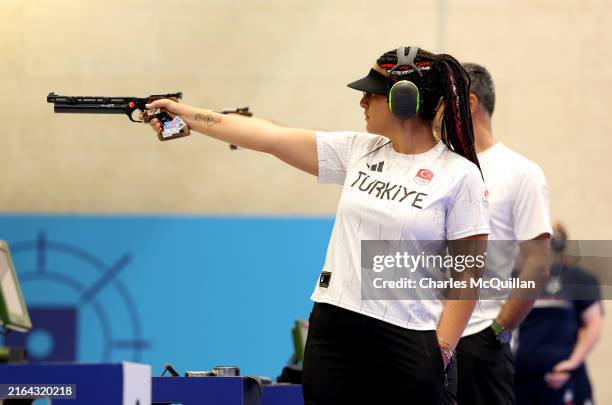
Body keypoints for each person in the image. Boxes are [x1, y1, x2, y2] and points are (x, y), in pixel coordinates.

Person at [144, 46, 490, 405]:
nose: (362, 102)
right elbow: (265, 136)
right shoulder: (360, 150)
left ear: (404, 100)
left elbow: (469, 275)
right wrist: (183, 112)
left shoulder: (459, 176)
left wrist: (444, 348)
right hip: (334, 328)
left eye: (371, 93)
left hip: (408, 336)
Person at [434, 63, 552, 405]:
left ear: (469, 103)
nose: (436, 111)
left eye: (444, 102)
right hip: (428, 335)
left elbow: (537, 266)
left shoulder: (521, 173)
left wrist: (497, 330)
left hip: (479, 340)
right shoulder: (442, 167)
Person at [515, 222, 604, 405]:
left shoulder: (578, 278)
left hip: (563, 378)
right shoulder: (516, 278)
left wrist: (571, 363)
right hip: (519, 380)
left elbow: (593, 324)